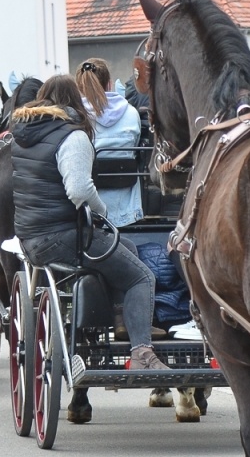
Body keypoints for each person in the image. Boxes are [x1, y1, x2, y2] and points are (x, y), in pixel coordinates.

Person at [11, 75, 166, 375]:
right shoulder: (71, 136)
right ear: (75, 104)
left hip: (31, 239)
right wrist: (102, 211)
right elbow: (79, 190)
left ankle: (117, 322)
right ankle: (141, 353)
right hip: (64, 236)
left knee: (128, 248)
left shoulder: (22, 136)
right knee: (142, 277)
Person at [75, 58, 143, 228]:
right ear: (110, 84)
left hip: (88, 214)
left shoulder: (75, 117)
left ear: (79, 87)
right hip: (127, 211)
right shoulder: (131, 113)